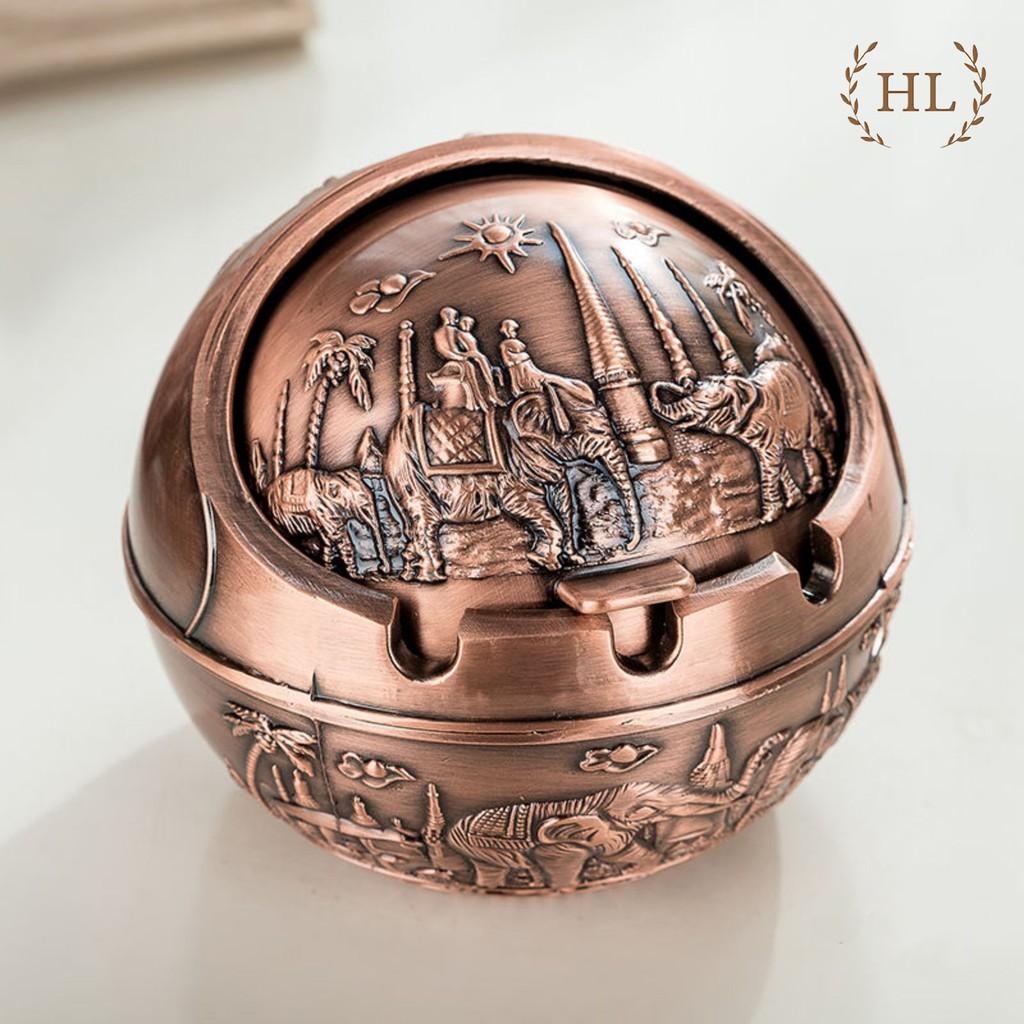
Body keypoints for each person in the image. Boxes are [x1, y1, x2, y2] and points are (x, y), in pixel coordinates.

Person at [431, 307, 502, 410]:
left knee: (479, 359)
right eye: (454, 317)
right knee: (479, 359)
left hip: (452, 356)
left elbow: (442, 350)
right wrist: (463, 356)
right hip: (456, 357)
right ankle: (488, 394)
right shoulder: (451, 329)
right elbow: (453, 348)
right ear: (449, 317)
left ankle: (488, 394)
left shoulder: (437, 332)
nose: (456, 320)